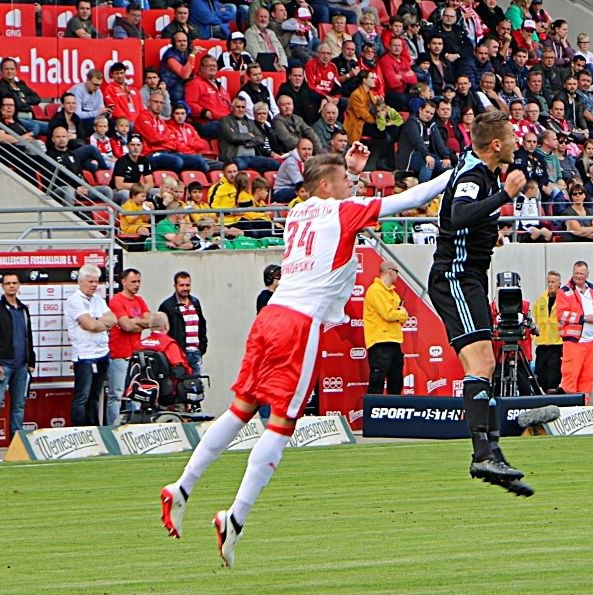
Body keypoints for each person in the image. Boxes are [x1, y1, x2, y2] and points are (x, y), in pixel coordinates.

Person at [160, 146, 450, 566]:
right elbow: (410, 198)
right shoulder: (342, 211)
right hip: (300, 324)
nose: (354, 183)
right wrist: (459, 169)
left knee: (241, 408)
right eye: (347, 180)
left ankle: (183, 486)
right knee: (281, 424)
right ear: (329, 186)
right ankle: (235, 517)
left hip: (271, 316)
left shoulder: (298, 212)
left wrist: (348, 171)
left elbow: (330, 197)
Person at [426, 109, 533, 496]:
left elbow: (468, 218)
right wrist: (505, 196)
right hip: (455, 277)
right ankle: (482, 453)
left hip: (469, 277)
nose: (516, 144)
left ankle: (491, 451)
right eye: (511, 137)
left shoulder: (479, 171)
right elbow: (459, 214)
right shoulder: (476, 176)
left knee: (485, 363)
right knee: (483, 362)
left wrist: (490, 233)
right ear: (496, 145)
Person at [0, 273, 34, 442]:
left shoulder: (24, 309)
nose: (11, 286)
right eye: (8, 283)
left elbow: (28, 336)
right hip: (3, 365)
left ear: (19, 285)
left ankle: (16, 439)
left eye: (14, 282)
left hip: (21, 365)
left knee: (19, 404)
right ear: (2, 287)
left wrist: (30, 360)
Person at [63, 264, 116, 427]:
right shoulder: (74, 300)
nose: (94, 285)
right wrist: (99, 323)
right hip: (84, 356)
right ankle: (79, 429)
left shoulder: (98, 300)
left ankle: (93, 428)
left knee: (95, 395)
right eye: (91, 281)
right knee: (82, 396)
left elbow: (113, 319)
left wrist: (97, 322)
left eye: (96, 281)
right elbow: (90, 325)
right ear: (80, 281)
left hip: (102, 353)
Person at [556, 261, 593, 403]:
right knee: (570, 375)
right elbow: (561, 314)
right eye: (576, 273)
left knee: (588, 376)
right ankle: (569, 406)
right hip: (574, 342)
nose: (578, 276)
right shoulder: (565, 292)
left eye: (581, 273)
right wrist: (582, 318)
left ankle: (584, 405)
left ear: (587, 274)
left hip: (592, 342)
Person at [107, 268, 151, 427]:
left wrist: (134, 321)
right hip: (119, 355)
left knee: (135, 394)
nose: (137, 285)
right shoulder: (116, 301)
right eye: (133, 281)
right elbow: (126, 326)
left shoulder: (139, 300)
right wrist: (139, 322)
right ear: (123, 282)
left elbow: (150, 321)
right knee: (116, 395)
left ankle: (134, 426)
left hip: (135, 355)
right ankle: (113, 427)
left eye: (139, 281)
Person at [364, 261, 409, 396]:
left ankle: (393, 412)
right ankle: (373, 413)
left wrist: (401, 314)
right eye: (397, 272)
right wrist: (402, 313)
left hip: (394, 341)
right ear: (390, 271)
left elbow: (402, 319)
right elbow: (388, 314)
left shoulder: (393, 294)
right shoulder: (375, 290)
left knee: (396, 382)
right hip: (380, 342)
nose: (397, 276)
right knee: (377, 381)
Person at [157, 271, 207, 379]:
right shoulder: (167, 306)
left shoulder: (195, 303)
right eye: (182, 285)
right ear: (175, 286)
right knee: (178, 387)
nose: (185, 288)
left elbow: (202, 326)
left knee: (195, 387)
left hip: (195, 354)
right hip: (177, 356)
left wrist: (202, 347)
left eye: (187, 285)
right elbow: (162, 331)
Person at [531, 271, 563, 394]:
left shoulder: (563, 300)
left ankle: (552, 395)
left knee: (553, 374)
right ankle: (547, 392)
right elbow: (534, 319)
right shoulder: (540, 301)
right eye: (549, 282)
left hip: (557, 342)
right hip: (542, 343)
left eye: (553, 282)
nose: (550, 284)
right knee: (541, 375)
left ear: (559, 284)